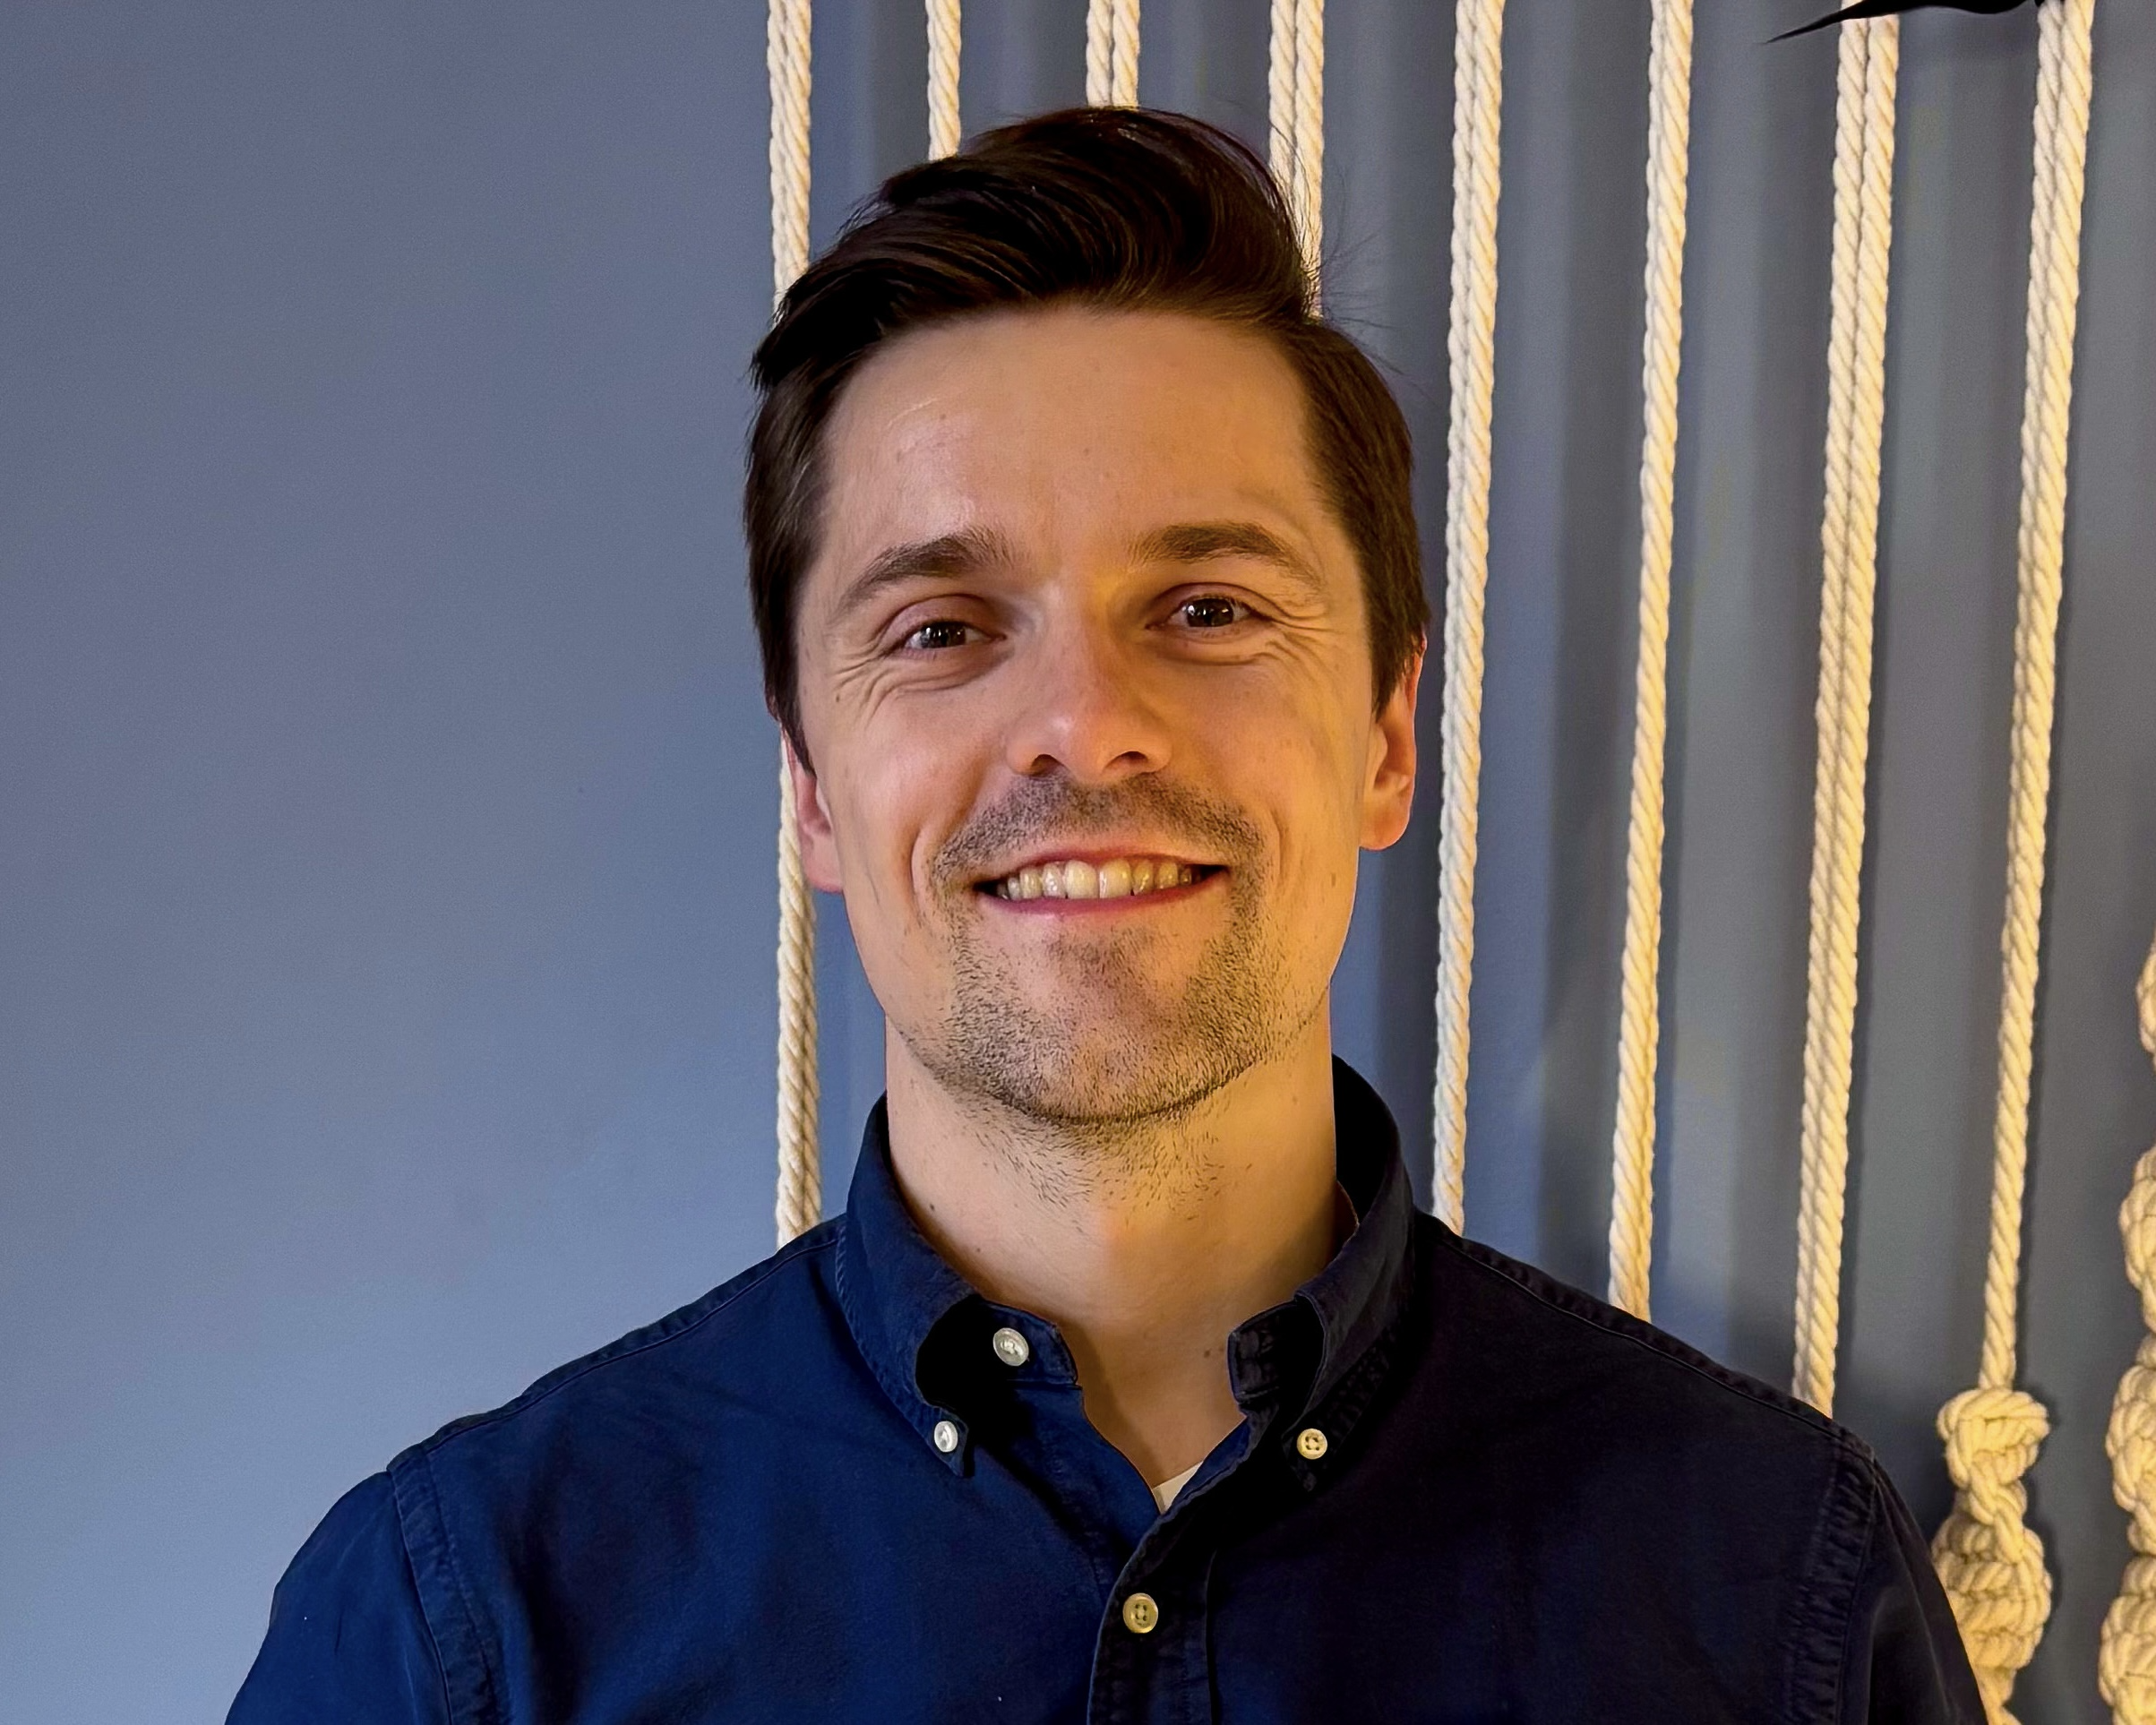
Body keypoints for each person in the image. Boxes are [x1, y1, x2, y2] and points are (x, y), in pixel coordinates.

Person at [229, 107, 1980, 1722]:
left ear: (1385, 736)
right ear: (815, 789)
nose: (1084, 723)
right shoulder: (466, 1627)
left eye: (1208, 607)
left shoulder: (1776, 1586)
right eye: (941, 629)